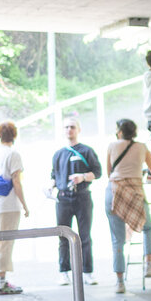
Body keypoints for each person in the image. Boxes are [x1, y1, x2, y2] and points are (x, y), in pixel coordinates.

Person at [105, 118, 151, 293]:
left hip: (114, 193)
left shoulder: (112, 145)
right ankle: (148, 265)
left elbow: (109, 173)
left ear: (119, 131)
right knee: (148, 227)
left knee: (117, 240)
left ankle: (120, 282)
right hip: (135, 194)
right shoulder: (142, 147)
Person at [50, 114, 102, 286]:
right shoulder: (58, 154)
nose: (69, 130)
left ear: (78, 130)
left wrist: (83, 177)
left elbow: (98, 172)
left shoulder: (86, 151)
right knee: (63, 236)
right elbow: (54, 175)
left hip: (82, 198)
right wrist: (51, 185)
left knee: (84, 236)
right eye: (66, 127)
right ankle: (64, 272)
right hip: (63, 199)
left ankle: (87, 271)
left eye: (72, 127)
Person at [0, 121, 29, 295]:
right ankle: (0, 282)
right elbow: (16, 182)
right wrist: (24, 205)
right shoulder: (13, 154)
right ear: (14, 135)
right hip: (8, 205)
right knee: (5, 244)